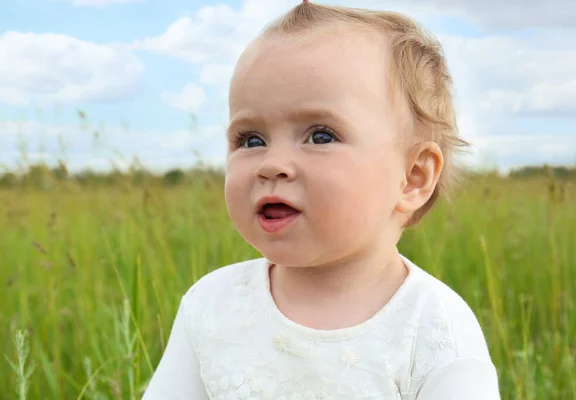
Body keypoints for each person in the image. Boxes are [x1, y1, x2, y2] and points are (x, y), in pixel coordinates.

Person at [143, 1, 501, 399]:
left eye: (321, 136)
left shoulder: (434, 328)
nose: (272, 164)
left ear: (412, 177)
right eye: (251, 140)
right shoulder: (212, 306)